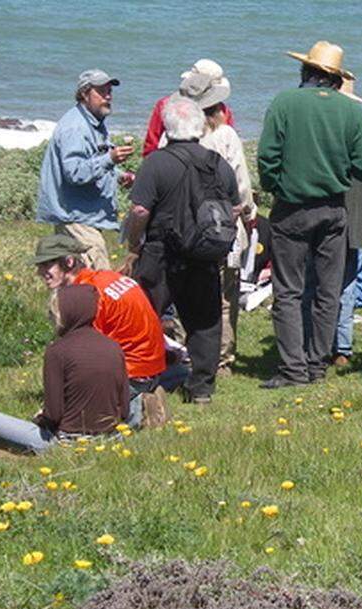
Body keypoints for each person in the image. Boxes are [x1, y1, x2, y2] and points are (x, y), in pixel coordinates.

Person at [256, 41, 362, 389]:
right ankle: (316, 365)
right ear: (336, 79)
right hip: (333, 209)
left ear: (306, 71)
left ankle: (293, 369)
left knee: (289, 291)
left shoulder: (284, 103)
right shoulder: (350, 111)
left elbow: (267, 157)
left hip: (291, 208)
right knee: (328, 291)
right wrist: (337, 170)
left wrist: (278, 185)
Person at [123, 98, 240, 403]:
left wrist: (135, 244)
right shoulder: (217, 163)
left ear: (167, 127)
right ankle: (202, 388)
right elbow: (235, 206)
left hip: (162, 253)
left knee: (146, 317)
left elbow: (139, 211)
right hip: (203, 253)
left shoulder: (156, 163)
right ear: (200, 127)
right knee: (205, 320)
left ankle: (142, 378)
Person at [0, 285, 129, 453]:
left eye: (54, 314)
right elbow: (124, 410)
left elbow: (54, 416)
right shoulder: (114, 347)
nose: (51, 319)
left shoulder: (57, 351)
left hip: (67, 444)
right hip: (111, 440)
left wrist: (41, 418)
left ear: (68, 313)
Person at [32, 234, 167, 417]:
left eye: (47, 265)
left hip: (132, 373)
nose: (40, 272)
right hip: (154, 367)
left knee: (79, 418)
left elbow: (90, 354)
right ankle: (143, 396)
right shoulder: (107, 276)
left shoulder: (85, 296)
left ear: (69, 262)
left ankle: (137, 410)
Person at [301, 79, 362, 367]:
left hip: (327, 211)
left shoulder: (324, 131)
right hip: (357, 214)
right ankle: (342, 347)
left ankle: (312, 341)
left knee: (315, 278)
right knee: (346, 281)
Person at [180, 69, 258, 376]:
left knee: (190, 292)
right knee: (226, 296)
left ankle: (190, 350)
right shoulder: (225, 135)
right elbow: (240, 181)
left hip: (187, 226)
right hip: (223, 226)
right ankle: (222, 358)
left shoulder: (173, 137)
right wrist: (250, 214)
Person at [36, 69, 134, 271]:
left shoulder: (94, 123)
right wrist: (110, 159)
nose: (108, 96)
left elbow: (93, 163)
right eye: (101, 91)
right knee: (99, 279)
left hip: (82, 216)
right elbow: (75, 172)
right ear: (84, 94)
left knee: (74, 280)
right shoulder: (76, 128)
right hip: (76, 218)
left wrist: (119, 175)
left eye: (109, 91)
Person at [143, 59, 237, 157]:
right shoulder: (223, 110)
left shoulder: (165, 104)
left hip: (172, 161)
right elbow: (229, 146)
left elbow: (152, 144)